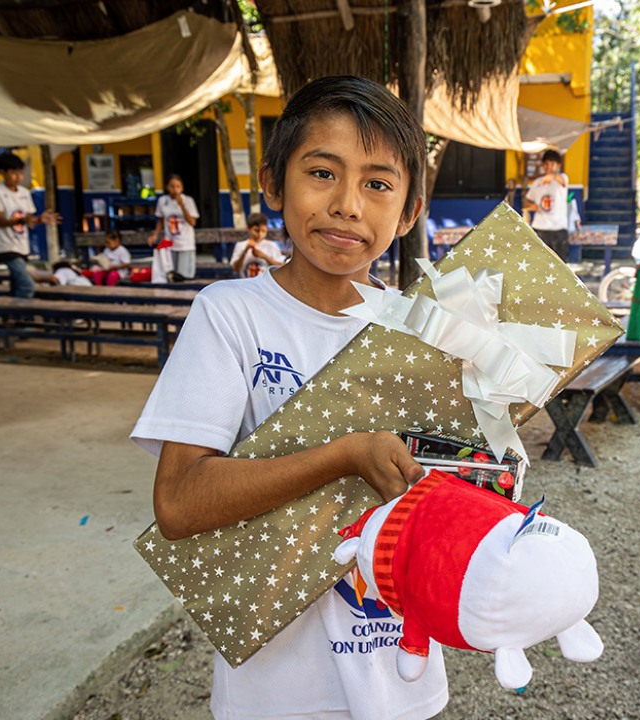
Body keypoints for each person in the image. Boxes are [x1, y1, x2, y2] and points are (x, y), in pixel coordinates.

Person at [130, 75, 447, 720]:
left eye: (379, 184)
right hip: (276, 689)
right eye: (322, 173)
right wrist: (343, 456)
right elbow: (180, 504)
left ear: (410, 210)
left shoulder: (428, 330)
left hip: (401, 673)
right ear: (274, 183)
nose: (348, 204)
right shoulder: (231, 314)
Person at [0, 151, 59, 298]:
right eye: (13, 173)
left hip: (22, 246)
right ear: (2, 173)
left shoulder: (25, 193)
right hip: (6, 247)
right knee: (27, 285)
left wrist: (39, 220)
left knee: (16, 286)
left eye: (20, 173)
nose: (18, 177)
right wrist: (21, 221)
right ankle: (23, 315)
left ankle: (15, 315)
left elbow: (29, 220)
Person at [150, 175, 199, 283]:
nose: (175, 189)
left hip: (185, 243)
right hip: (170, 244)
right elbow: (161, 220)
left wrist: (182, 206)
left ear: (182, 188)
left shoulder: (188, 201)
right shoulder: (162, 201)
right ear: (167, 187)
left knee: (184, 277)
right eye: (172, 186)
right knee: (171, 276)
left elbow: (192, 222)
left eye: (178, 186)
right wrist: (155, 235)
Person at [524, 149, 570, 262]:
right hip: (539, 229)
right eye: (546, 164)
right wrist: (532, 206)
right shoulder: (537, 182)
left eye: (552, 164)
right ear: (542, 165)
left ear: (558, 165)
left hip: (558, 229)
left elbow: (561, 180)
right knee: (538, 263)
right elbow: (526, 202)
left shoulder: (563, 179)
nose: (549, 167)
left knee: (560, 265)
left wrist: (553, 176)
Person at [230, 212, 285, 277]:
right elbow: (235, 269)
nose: (260, 234)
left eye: (263, 231)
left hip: (265, 284)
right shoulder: (240, 245)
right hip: (245, 283)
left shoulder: (271, 245)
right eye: (256, 230)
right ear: (248, 229)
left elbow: (281, 267)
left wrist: (264, 256)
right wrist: (245, 251)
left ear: (267, 229)